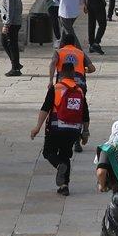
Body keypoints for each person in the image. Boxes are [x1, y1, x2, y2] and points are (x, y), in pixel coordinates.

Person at [30, 57, 89, 196]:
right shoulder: (79, 91)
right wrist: (85, 132)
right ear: (73, 74)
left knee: (48, 152)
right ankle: (64, 186)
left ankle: (58, 166)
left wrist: (37, 127)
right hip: (73, 130)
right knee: (65, 155)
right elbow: (85, 114)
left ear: (61, 74)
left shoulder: (56, 88)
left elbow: (45, 108)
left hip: (56, 128)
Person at [0, 0, 23, 76]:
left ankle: (15, 68)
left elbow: (10, 10)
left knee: (9, 44)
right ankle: (16, 64)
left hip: (11, 24)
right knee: (10, 44)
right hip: (15, 22)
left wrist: (7, 24)